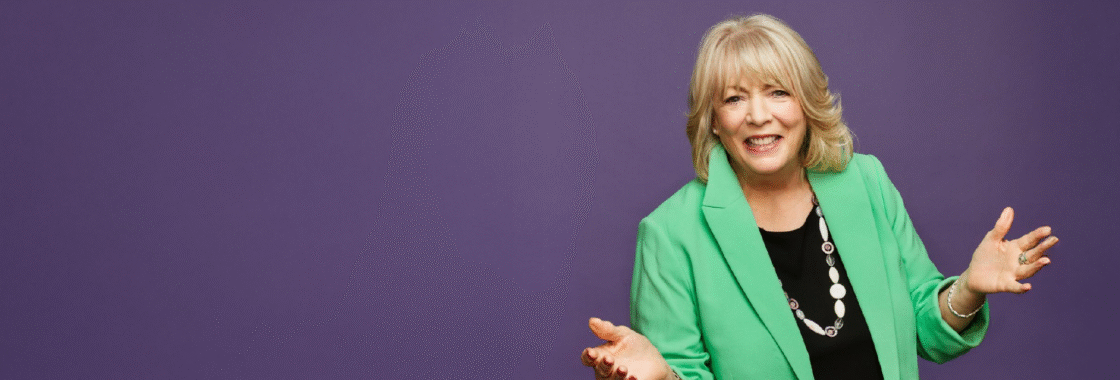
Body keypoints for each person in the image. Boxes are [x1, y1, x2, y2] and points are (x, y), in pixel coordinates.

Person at [580, 14, 1057, 380]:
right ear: (713, 121)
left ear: (807, 105)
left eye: (778, 92)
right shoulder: (671, 234)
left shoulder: (865, 183)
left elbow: (925, 329)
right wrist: (664, 375)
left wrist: (969, 286)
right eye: (733, 99)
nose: (758, 115)